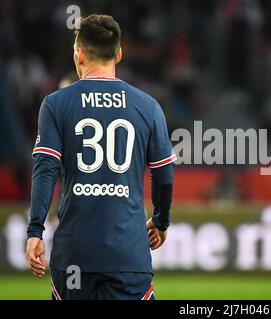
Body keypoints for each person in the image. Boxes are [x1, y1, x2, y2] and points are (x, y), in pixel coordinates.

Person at [25, 14, 176, 300]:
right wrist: (160, 221)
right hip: (128, 257)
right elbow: (164, 175)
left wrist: (35, 230)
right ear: (118, 54)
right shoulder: (148, 106)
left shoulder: (55, 104)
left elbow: (45, 170)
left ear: (79, 54)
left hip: (73, 256)